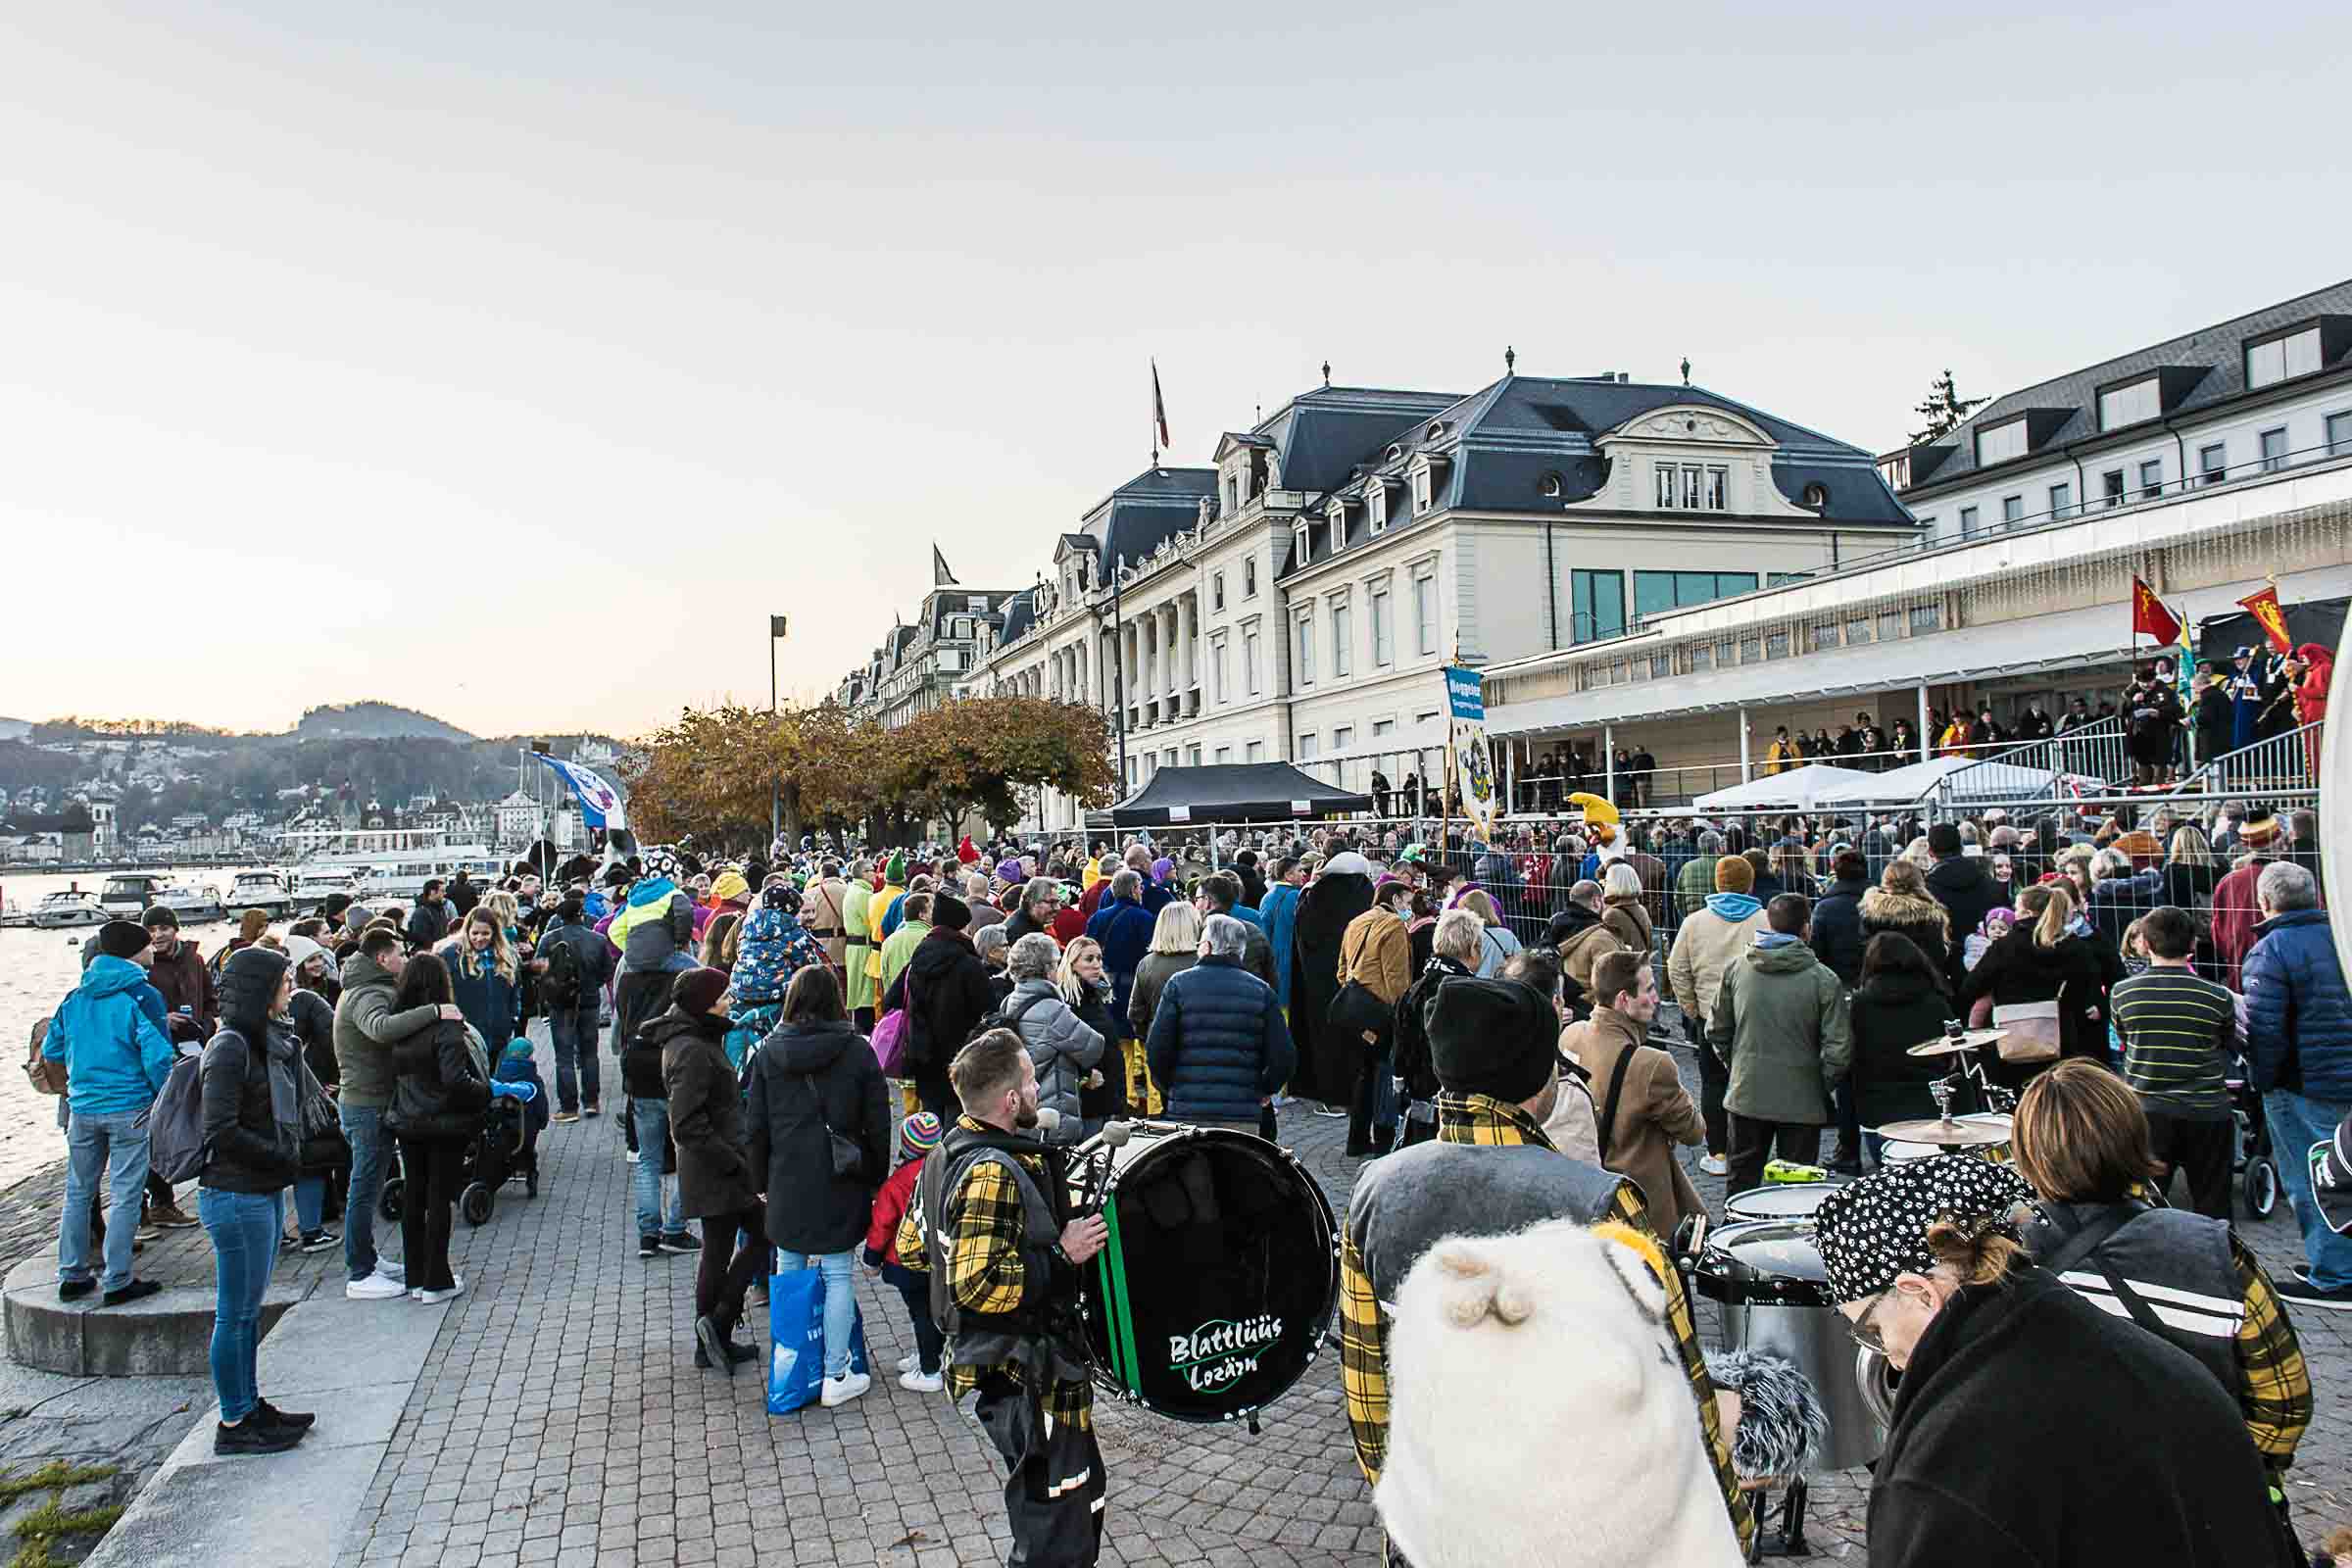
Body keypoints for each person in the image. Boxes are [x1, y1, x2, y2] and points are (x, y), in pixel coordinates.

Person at [1340, 972, 1751, 1553]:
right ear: (1538, 1080)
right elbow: (1680, 1389)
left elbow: (1368, 1391)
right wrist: (1729, 1523)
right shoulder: (1599, 1201)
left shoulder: (1375, 1191)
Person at [1812, 1155, 2285, 1566]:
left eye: (1871, 1328)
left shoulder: (1949, 1463)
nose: (1889, 1359)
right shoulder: (2109, 1342)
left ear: (1921, 1293)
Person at [2010, 1060, 2311, 1495]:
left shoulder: (2005, 1265)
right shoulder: (2214, 1252)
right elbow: (2285, 1403)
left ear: (2025, 1153)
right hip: (2208, 1507)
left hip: (2068, 1511)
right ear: (2136, 1135)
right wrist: (2219, 1474)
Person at [897, 1031, 1110, 1564]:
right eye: (1031, 1080)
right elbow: (974, 1285)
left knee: (1067, 1505)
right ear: (1011, 1099)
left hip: (1008, 1371)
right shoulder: (992, 1169)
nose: (1038, 1088)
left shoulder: (945, 1151)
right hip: (1027, 1374)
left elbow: (913, 1248)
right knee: (1054, 1527)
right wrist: (1061, 1254)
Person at [747, 963, 891, 1405]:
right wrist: (874, 1177)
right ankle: (835, 1371)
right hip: (840, 1174)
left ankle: (789, 1365)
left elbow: (755, 1125)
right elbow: (878, 1121)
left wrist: (760, 1179)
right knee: (837, 1272)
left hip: (787, 1174)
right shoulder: (857, 1050)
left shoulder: (769, 1051)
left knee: (788, 1269)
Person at [197, 947, 314, 1455]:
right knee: (236, 1313)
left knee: (248, 1311)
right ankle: (234, 1420)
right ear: (262, 992)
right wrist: (278, 1158)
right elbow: (220, 1128)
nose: (289, 991)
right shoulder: (229, 1047)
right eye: (283, 984)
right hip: (235, 1191)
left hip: (257, 1188)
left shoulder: (263, 1041)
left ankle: (249, 1404)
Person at [45, 919, 178, 1306]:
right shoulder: (142, 995)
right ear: (135, 952)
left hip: (82, 1106)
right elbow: (157, 1057)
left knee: (78, 1191)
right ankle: (118, 1279)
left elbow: (53, 1050)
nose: (154, 948)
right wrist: (162, 1097)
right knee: (124, 1192)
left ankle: (72, 1274)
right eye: (147, 945)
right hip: (130, 1105)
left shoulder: (75, 997)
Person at [2241, 861, 2352, 1311]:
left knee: (2314, 1176)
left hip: (2304, 1083)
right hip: (2340, 1075)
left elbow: (2264, 1031)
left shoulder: (2272, 949)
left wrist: (2262, 1083)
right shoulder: (2340, 937)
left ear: (2265, 902)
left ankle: (2335, 1274)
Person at [331, 927, 457, 1300]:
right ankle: (360, 1270)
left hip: (372, 1101)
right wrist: (435, 1011)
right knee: (364, 1187)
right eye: (400, 954)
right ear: (382, 958)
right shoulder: (367, 993)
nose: (404, 960)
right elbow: (381, 1029)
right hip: (366, 1103)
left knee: (367, 1184)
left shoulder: (365, 988)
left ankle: (368, 1258)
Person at [658, 967, 766, 1376]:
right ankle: (716, 1324)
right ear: (704, 1002)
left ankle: (714, 1333)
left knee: (726, 1247)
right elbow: (685, 1123)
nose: (730, 1000)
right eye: (723, 996)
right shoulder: (690, 1048)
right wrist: (733, 1161)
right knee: (746, 1238)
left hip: (719, 1161)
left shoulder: (698, 1038)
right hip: (716, 1165)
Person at [2103, 905, 2239, 1218]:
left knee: (2146, 1206)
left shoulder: (2123, 993)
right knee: (2214, 1203)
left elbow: (2124, 1038)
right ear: (2192, 945)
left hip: (2148, 1109)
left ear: (2145, 944)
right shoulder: (2218, 996)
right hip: (2207, 1109)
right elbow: (2224, 1041)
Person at [1711, 894, 1850, 1195]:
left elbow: (1717, 1029)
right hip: (1802, 1097)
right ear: (1806, 929)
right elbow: (1839, 1049)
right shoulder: (1823, 979)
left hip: (1747, 1091)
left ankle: (1735, 1236)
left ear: (1769, 923)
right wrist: (1819, 1082)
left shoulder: (1737, 969)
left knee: (1741, 1182)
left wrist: (1737, 1065)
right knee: (1796, 1188)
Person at [1561, 949, 1704, 1235]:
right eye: (1649, 989)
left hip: (1586, 1192)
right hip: (1640, 1203)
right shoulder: (1651, 1064)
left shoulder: (1571, 1034)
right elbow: (1694, 1132)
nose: (1656, 998)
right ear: (1624, 1000)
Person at [383, 953, 488, 1303]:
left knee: (415, 1195)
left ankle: (415, 1275)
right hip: (444, 1122)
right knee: (439, 1198)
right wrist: (485, 1092)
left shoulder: (400, 1023)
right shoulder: (446, 1026)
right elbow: (455, 1080)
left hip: (408, 1119)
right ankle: (436, 1279)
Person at [1146, 914, 1296, 1136]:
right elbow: (1284, 1055)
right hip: (1241, 1113)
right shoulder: (1261, 991)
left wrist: (1171, 1088)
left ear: (1206, 947)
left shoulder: (1178, 985)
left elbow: (1157, 1049)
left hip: (1188, 1112)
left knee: (1192, 1170)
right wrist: (1265, 1089)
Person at [1667, 854, 1768, 1177]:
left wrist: (1692, 1007)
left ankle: (1719, 1152)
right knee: (1754, 1082)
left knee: (1713, 1082)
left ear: (1717, 882)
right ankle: (1753, 1152)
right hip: (1756, 1015)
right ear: (1750, 883)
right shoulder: (1765, 920)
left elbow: (1677, 968)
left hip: (1710, 1015)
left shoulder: (1694, 922)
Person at [1961, 883, 2110, 1090]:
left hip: (2010, 1039)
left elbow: (1971, 987)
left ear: (2027, 912)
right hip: (2062, 1038)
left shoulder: (2006, 946)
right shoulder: (2074, 946)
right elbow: (2087, 988)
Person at [618, 967, 699, 1261]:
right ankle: (675, 1228)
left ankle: (648, 1233)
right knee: (685, 1155)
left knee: (647, 1160)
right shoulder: (686, 1030)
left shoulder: (630, 982)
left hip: (643, 1089)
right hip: (673, 1091)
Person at [862, 1110, 946, 1394]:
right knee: (935, 1311)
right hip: (941, 1258)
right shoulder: (948, 1170)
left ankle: (930, 1368)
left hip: (908, 1261)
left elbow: (883, 1225)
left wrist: (871, 1259)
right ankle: (935, 1354)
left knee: (920, 1313)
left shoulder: (897, 1182)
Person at [891, 893, 996, 1117]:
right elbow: (988, 1009)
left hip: (923, 1055)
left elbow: (893, 999)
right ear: (960, 927)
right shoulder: (969, 964)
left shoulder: (918, 959)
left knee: (930, 1124)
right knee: (959, 1123)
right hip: (961, 1057)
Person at [1291, 852, 1376, 1112]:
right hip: (1360, 984)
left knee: (1324, 1036)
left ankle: (1329, 1094)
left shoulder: (1313, 899)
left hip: (1318, 985)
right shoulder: (1366, 896)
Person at [1336, 879, 1415, 1154]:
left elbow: (1342, 971)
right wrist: (1403, 1014)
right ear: (1394, 900)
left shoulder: (1356, 922)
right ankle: (1384, 1141)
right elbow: (1397, 978)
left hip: (1356, 1010)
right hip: (1382, 1011)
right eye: (1406, 902)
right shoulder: (1393, 925)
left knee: (1364, 1074)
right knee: (1384, 1074)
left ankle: (1356, 1139)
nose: (1409, 908)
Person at [1002, 932, 1104, 1144]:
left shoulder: (1010, 1001)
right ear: (1047, 968)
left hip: (1021, 1108)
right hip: (1050, 1117)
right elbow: (1093, 1047)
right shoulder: (1051, 1009)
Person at [1392, 908, 1482, 1149]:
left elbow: (1400, 1052)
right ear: (1472, 948)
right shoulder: (1472, 993)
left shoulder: (1413, 991)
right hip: (1458, 1109)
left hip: (1419, 1103)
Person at [535, 896, 612, 1122]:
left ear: (559, 916)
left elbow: (540, 971)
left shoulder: (549, 939)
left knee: (563, 1057)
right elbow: (607, 972)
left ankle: (568, 1108)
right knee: (590, 1053)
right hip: (589, 1000)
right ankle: (591, 1102)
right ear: (581, 914)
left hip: (560, 1005)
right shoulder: (598, 940)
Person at [2213, 808, 2286, 990]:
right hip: (2287, 969)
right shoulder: (2294, 877)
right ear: (2278, 840)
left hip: (2241, 967)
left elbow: (2218, 931)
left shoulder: (2229, 882)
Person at [1921, 822, 2000, 988]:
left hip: (1946, 967)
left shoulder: (1926, 890)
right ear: (1962, 847)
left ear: (1930, 851)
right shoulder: (1989, 882)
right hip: (1988, 962)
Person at [1860, 858, 1955, 980]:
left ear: (1885, 881)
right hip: (1922, 987)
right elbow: (1938, 958)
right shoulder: (1931, 916)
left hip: (1878, 985)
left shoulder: (1870, 913)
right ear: (1918, 881)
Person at [1260, 857, 1306, 1016]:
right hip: (1291, 961)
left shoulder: (1267, 896)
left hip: (1271, 961)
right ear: (1288, 875)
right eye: (1300, 871)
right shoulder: (1294, 896)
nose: (1304, 874)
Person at [842, 858, 878, 1032]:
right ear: (863, 874)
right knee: (866, 995)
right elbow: (871, 922)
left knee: (859, 993)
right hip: (863, 948)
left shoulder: (853, 890)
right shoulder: (864, 894)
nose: (876, 873)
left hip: (855, 948)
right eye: (872, 870)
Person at [405, 879, 452, 954]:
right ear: (432, 892)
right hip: (430, 954)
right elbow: (421, 938)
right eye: (442, 891)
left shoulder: (440, 909)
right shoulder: (421, 912)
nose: (445, 893)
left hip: (440, 951)